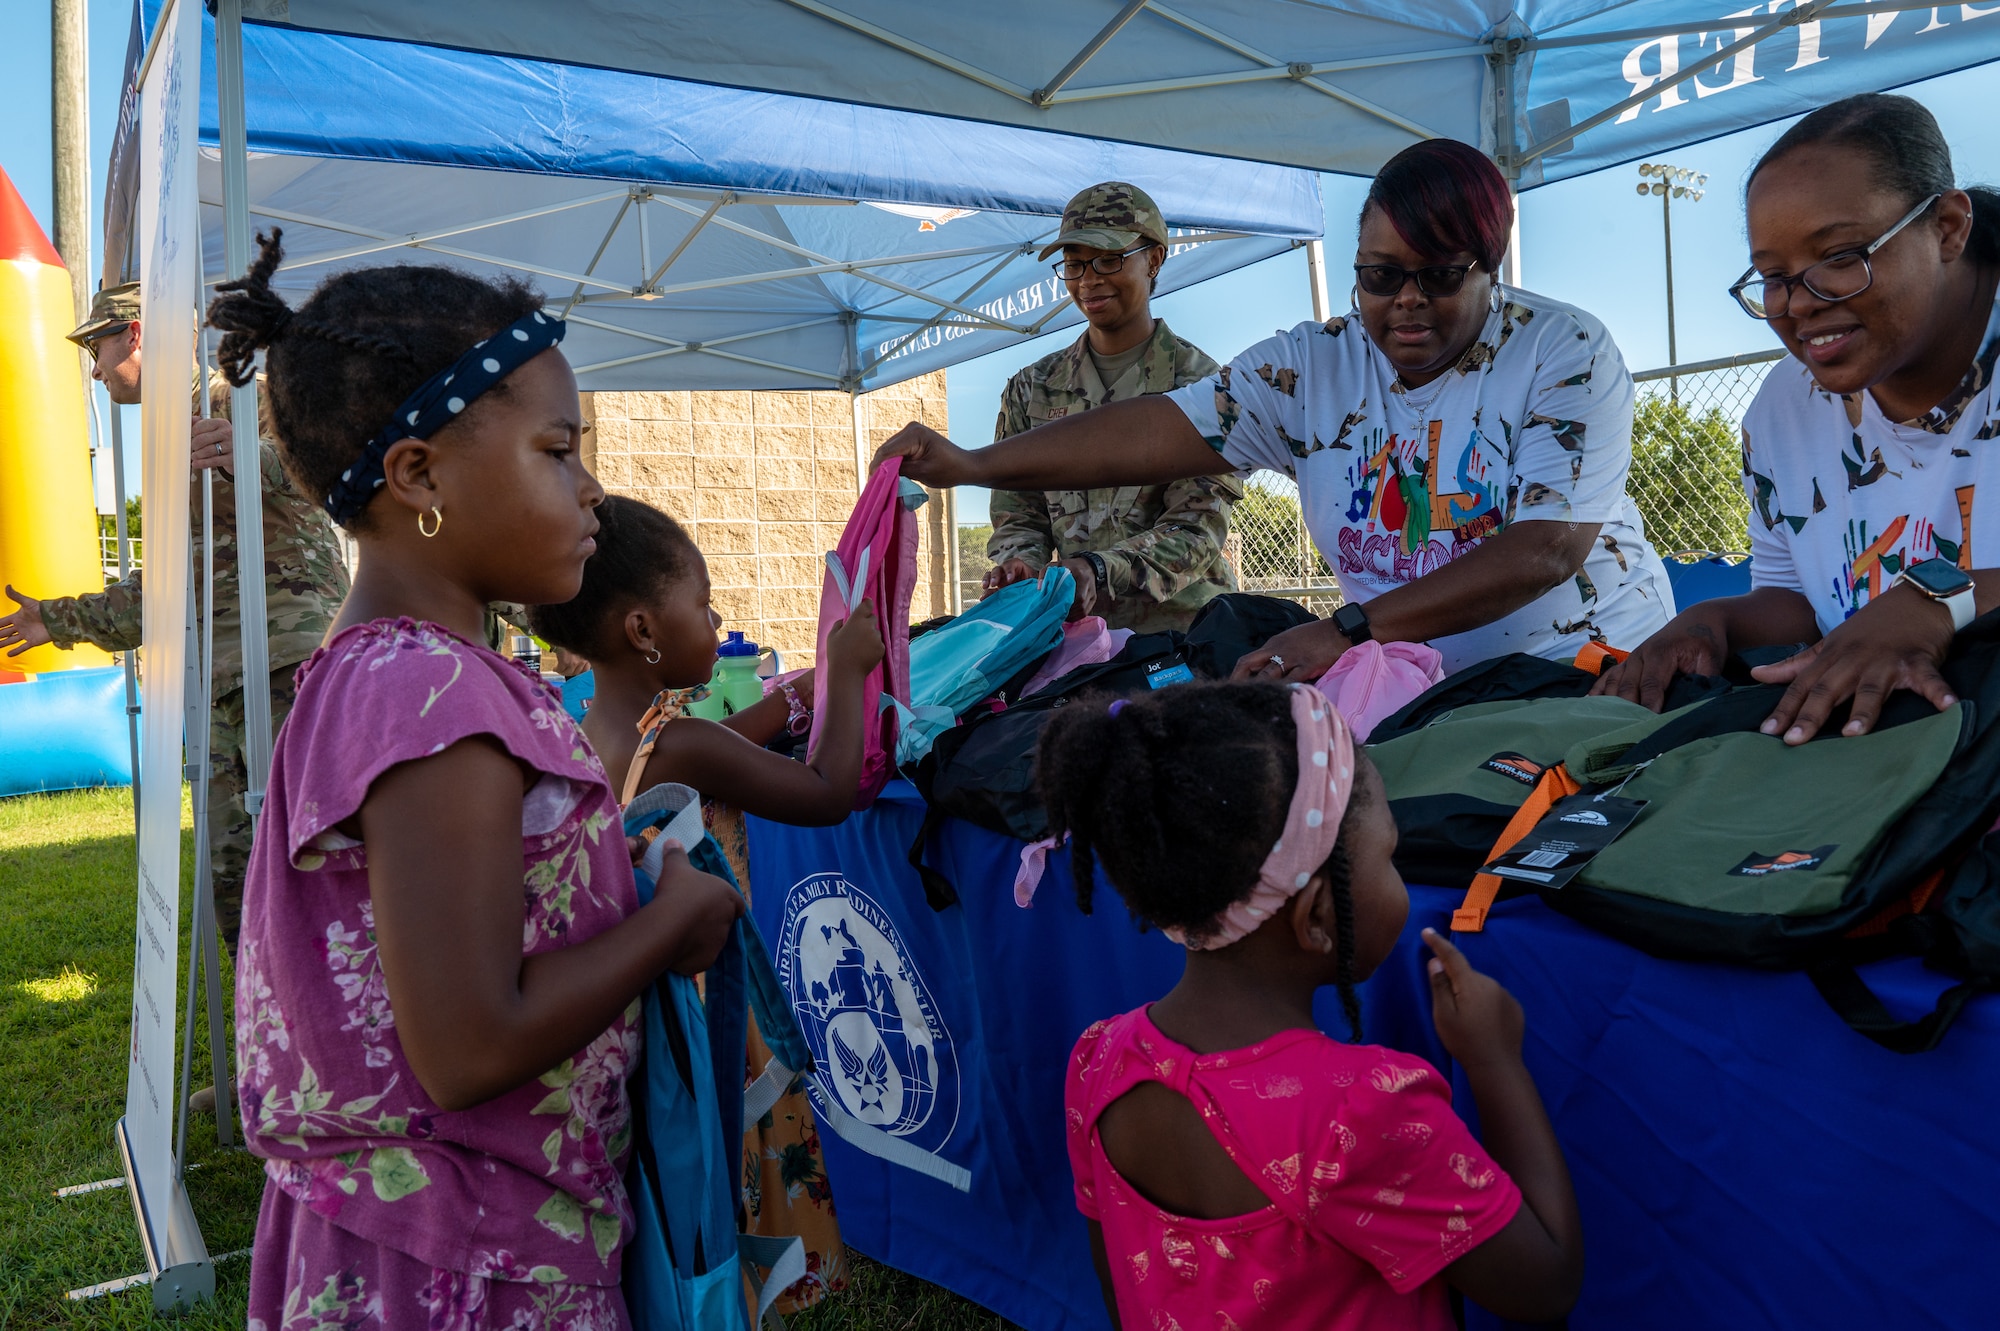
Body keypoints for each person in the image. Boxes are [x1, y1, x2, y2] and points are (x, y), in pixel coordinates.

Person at [209, 232, 741, 1328]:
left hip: (452, 1231)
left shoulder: (396, 673)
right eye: (557, 450)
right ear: (419, 475)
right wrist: (672, 918)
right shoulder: (428, 692)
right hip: (465, 1261)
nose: (591, 489)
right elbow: (466, 1047)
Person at [878, 139, 1674, 679]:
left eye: (1438, 277)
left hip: (1584, 671)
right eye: (1378, 275)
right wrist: (973, 465)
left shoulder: (1562, 349)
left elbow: (1544, 551)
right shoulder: (1311, 366)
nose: (1405, 302)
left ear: (1488, 269)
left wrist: (1343, 632)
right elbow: (1157, 430)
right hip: (1407, 680)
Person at [1037, 681, 1583, 1328]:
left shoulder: (1100, 1060)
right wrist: (1495, 1060)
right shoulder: (1359, 1110)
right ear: (1317, 915)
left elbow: (1121, 1293)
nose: (1397, 871)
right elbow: (1545, 1281)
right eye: (1390, 854)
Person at [528, 493, 886, 1312]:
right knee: (730, 1175)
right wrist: (847, 671)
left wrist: (793, 699)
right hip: (713, 1004)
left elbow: (733, 740)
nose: (718, 618)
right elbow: (828, 790)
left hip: (651, 1003)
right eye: (704, 603)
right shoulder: (681, 742)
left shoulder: (602, 726)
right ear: (645, 632)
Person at [1595, 93, 2000, 745]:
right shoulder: (1782, 411)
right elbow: (1801, 604)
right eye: (1772, 276)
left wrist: (1936, 600)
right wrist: (1713, 620)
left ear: (1948, 227)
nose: (1799, 304)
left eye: (1840, 256)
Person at [0, 280, 350, 956]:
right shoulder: (165, 438)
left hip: (287, 664)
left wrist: (258, 459)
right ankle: (270, 1030)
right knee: (233, 881)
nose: (95, 370)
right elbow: (167, 587)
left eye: (97, 349)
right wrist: (61, 620)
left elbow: (335, 469)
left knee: (317, 860)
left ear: (135, 334)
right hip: (220, 683)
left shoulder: (241, 392)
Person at [984, 182, 1242, 632]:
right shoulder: (1031, 390)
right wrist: (1019, 566)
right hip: (1077, 637)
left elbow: (1197, 527)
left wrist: (1098, 569)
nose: (1088, 280)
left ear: (1155, 259)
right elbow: (1017, 513)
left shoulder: (1199, 385)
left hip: (1184, 634)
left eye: (1109, 260)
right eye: (1074, 264)